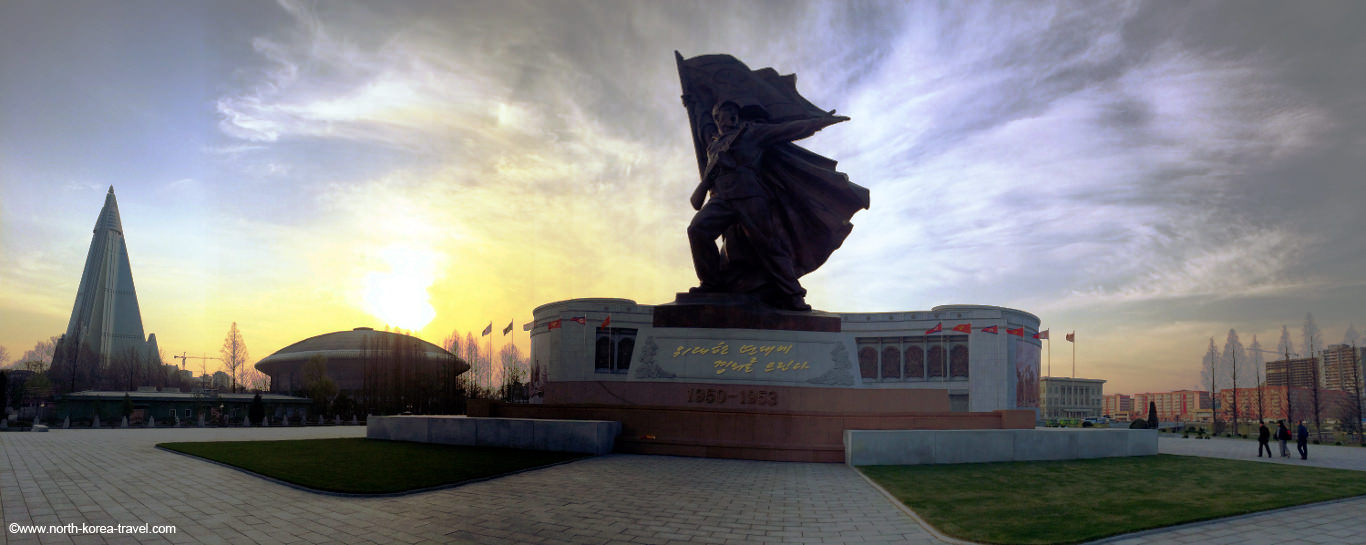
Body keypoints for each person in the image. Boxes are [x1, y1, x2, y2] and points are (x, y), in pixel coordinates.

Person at [687, 101, 849, 311]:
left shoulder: (751, 132)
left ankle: (793, 295)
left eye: (735, 114)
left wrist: (819, 122)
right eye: (727, 114)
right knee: (697, 230)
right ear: (717, 118)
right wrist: (694, 102)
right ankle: (710, 283)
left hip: (750, 196)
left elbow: (787, 130)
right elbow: (704, 129)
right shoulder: (713, 145)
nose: (732, 118)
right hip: (721, 198)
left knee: (768, 246)